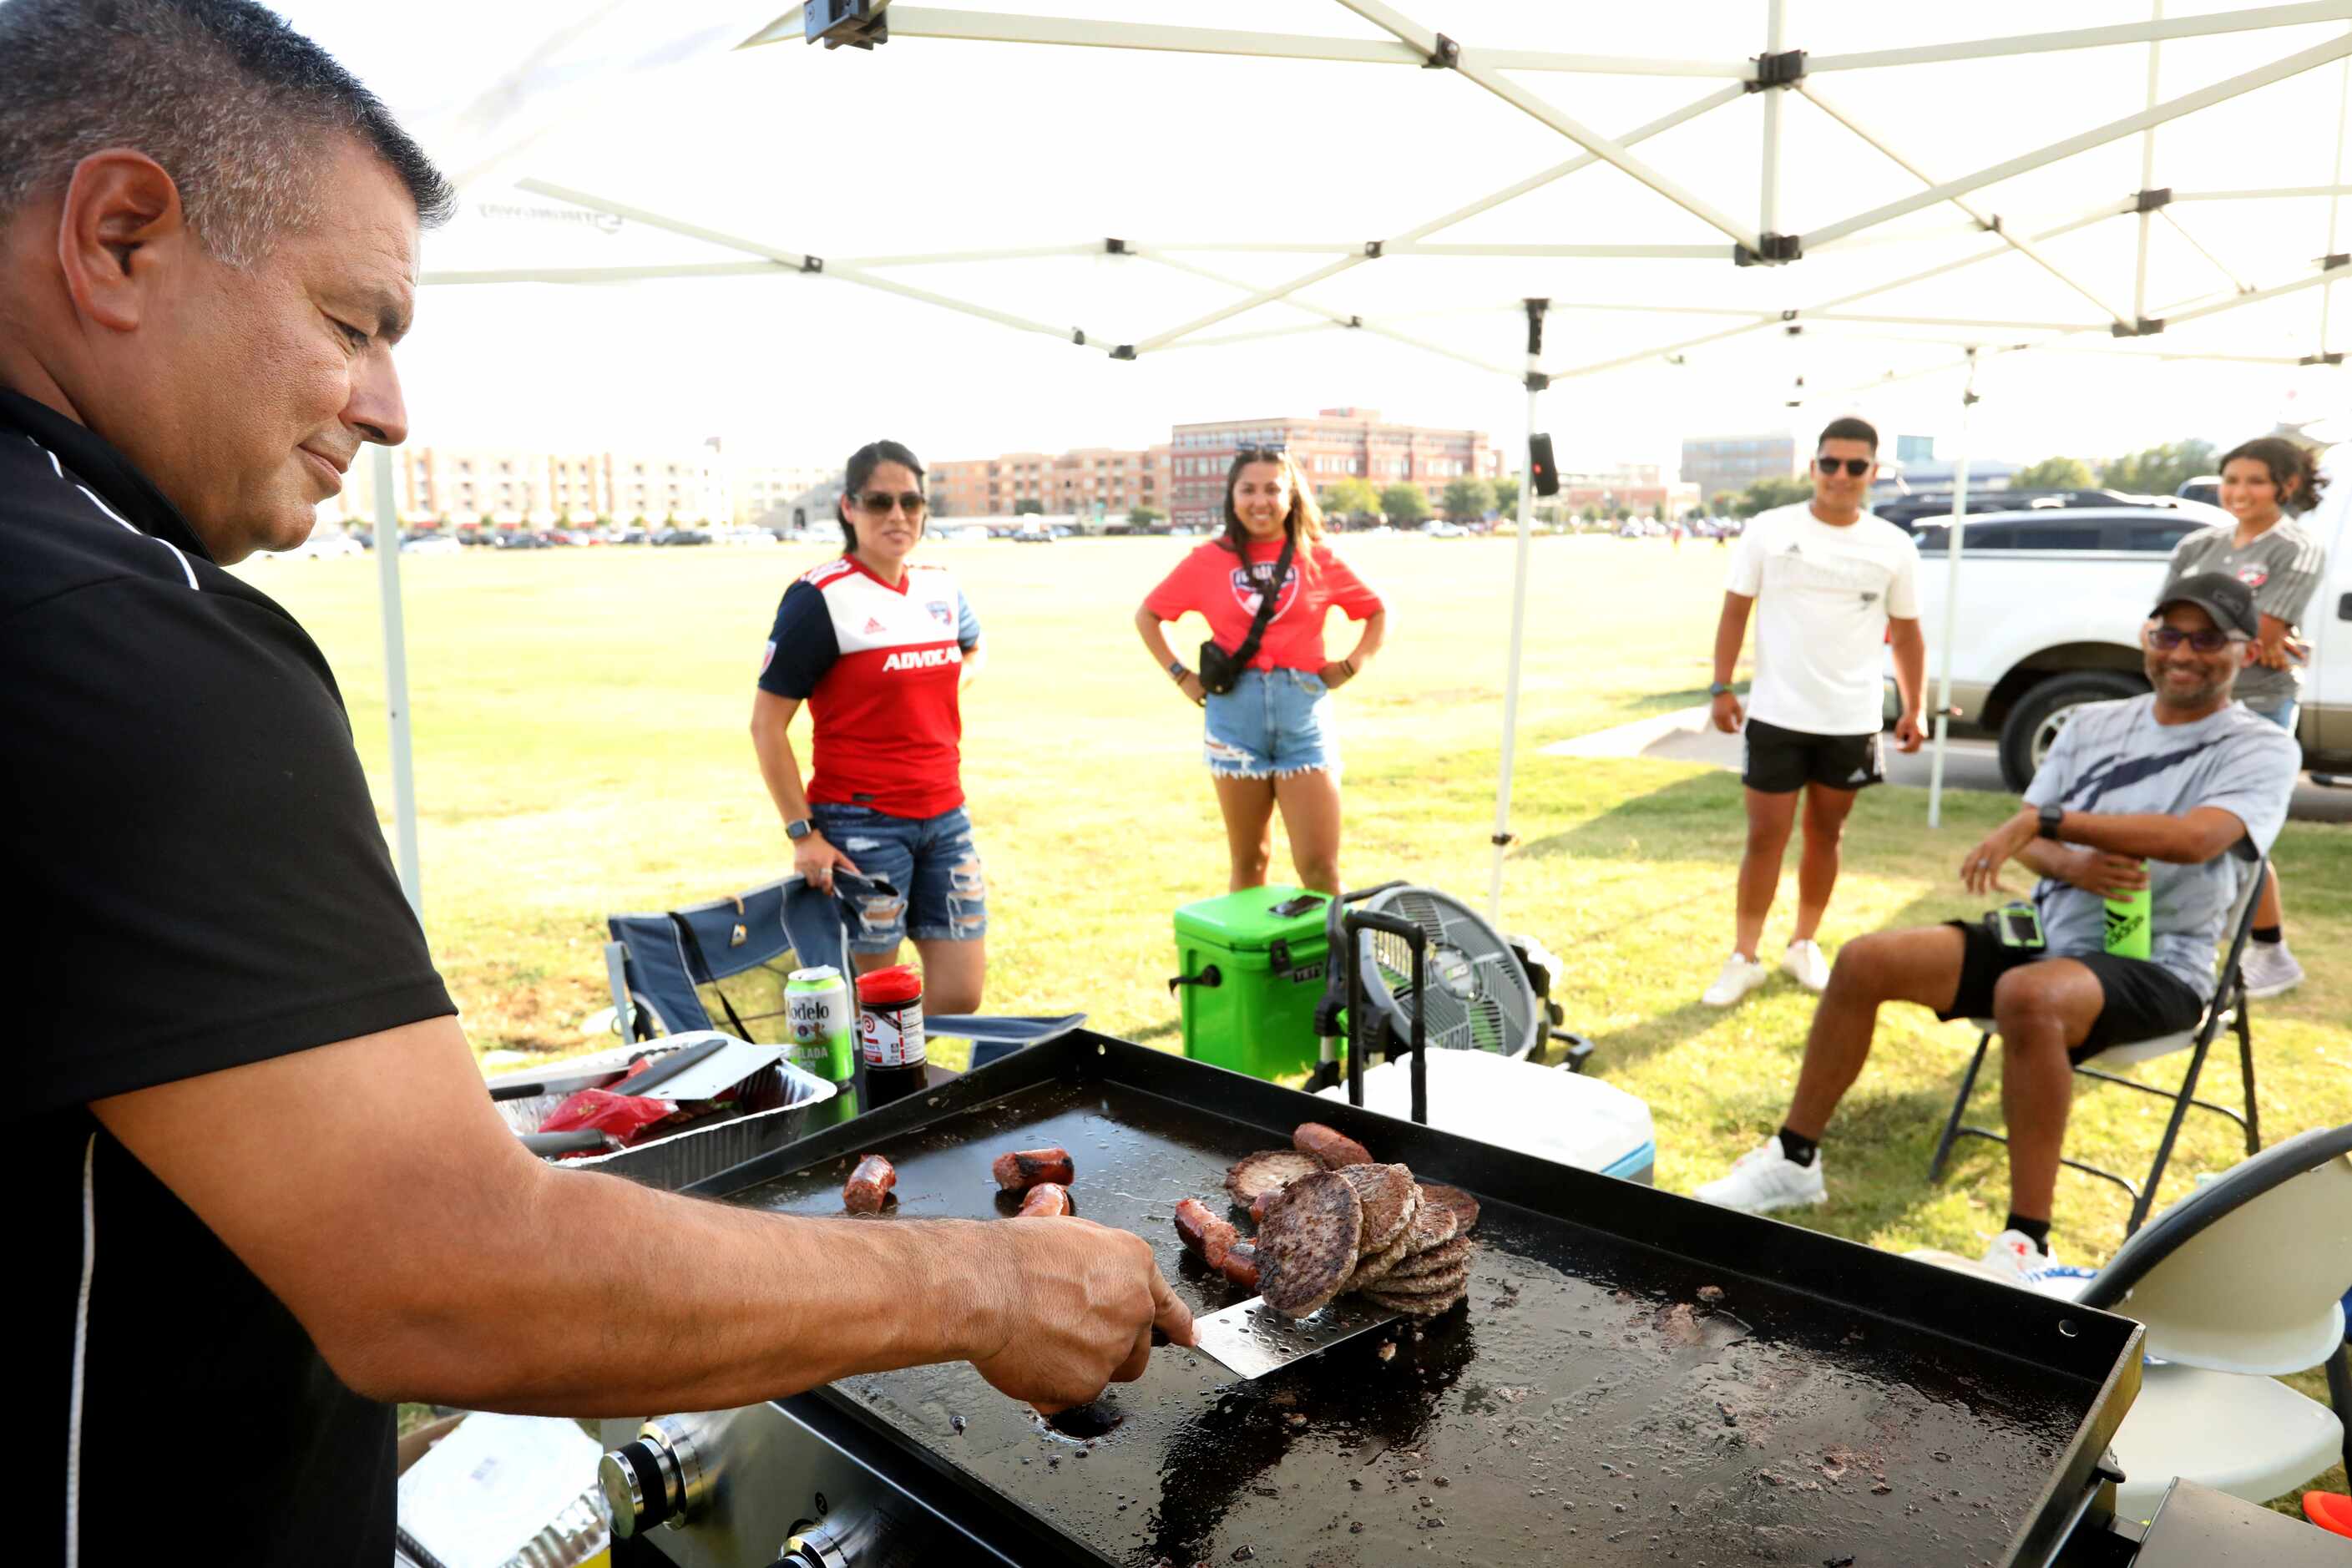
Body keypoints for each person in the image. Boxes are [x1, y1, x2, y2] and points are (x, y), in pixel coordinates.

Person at [0, 7, 1187, 1562]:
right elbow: (446, 1268)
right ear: (120, 236)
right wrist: (991, 1283)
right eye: (354, 323)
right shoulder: (121, 635)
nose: (388, 406)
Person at [1695, 576, 2300, 1280]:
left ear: (2247, 651)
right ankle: (1794, 1161)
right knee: (1864, 959)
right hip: (2047, 932)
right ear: (2146, 638)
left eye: (2205, 639)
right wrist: (2069, 862)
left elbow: (2199, 839)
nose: (2182, 654)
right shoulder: (2092, 724)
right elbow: (2030, 845)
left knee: (2027, 996)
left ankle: (2026, 1244)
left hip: (2165, 963)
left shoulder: (2259, 747)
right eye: (2168, 634)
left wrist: (2049, 824)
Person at [751, 440, 991, 1011]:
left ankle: (909, 1075)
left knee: (960, 996)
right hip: (861, 825)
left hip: (945, 816)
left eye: (911, 501)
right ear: (848, 507)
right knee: (874, 1005)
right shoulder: (819, 598)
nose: (897, 516)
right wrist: (801, 834)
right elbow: (766, 725)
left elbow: (974, 648)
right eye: (879, 501)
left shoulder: (940, 584)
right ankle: (882, 1092)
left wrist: (934, 686)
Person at [1702, 417, 1928, 1007]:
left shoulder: (1892, 545)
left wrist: (1914, 707)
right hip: (1777, 712)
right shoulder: (1768, 530)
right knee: (1764, 839)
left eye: (1855, 466)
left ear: (1873, 473)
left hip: (1850, 719)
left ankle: (1803, 944)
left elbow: (1906, 634)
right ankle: (1743, 957)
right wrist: (1721, 686)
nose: (1841, 476)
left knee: (1825, 835)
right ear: (1813, 467)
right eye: (1830, 463)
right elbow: (1734, 612)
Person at [1133, 448, 1387, 893]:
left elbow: (1378, 611)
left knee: (1321, 869)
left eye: (1273, 489)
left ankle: (1334, 963)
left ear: (1292, 497)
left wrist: (1350, 665)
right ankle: (1254, 964)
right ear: (1232, 497)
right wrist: (1181, 675)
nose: (1260, 501)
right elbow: (1149, 615)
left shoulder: (1318, 558)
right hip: (1234, 719)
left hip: (1302, 718)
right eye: (1248, 489)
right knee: (1250, 864)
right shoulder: (1208, 559)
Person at [2162, 435, 2328, 999]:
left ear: (2285, 486)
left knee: (2236, 832)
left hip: (2258, 704)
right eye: (2230, 480)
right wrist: (2235, 636)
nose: (2239, 492)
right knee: (2185, 824)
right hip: (2191, 703)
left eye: (2254, 481)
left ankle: (2269, 952)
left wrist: (2258, 637)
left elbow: (2265, 635)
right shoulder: (2198, 545)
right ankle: (2200, 942)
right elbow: (2163, 625)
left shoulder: (2296, 547)